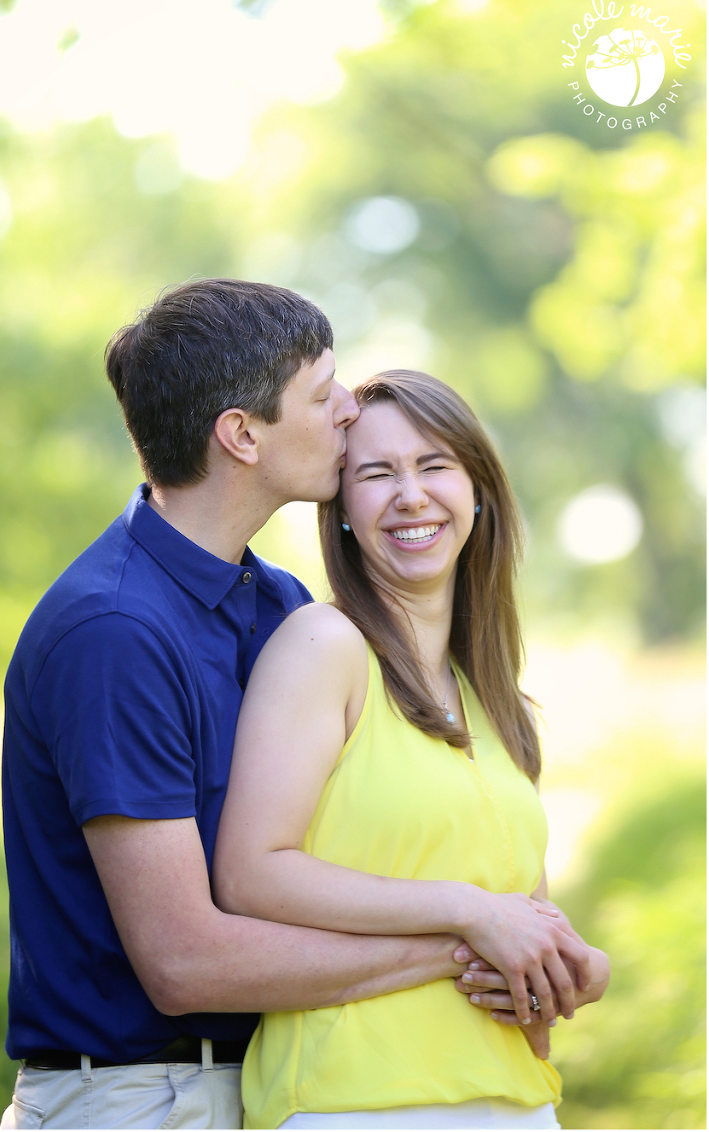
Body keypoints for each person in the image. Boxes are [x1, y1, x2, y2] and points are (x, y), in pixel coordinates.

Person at [0, 283, 483, 1131]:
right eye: (323, 391)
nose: (347, 412)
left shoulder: (281, 606)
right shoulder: (113, 633)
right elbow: (186, 963)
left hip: (259, 1084)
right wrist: (463, 947)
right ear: (242, 434)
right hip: (140, 1100)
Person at [213, 370, 611, 1130]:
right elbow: (249, 873)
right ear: (341, 513)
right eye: (376, 473)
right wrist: (466, 912)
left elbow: (525, 912)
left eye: (434, 465)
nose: (411, 495)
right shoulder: (322, 645)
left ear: (478, 489)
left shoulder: (495, 697)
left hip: (516, 1103)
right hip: (354, 1103)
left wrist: (580, 969)